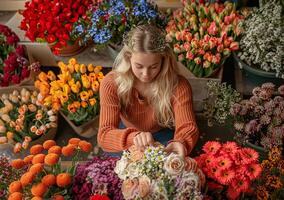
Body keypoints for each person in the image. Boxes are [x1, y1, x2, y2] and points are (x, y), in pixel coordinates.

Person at [97, 24, 199, 158]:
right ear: (128, 58)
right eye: (139, 66)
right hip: (126, 134)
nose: (146, 74)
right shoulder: (111, 83)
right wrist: (134, 138)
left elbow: (187, 126)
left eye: (153, 66)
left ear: (163, 60)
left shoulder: (178, 85)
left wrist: (181, 142)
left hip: (164, 134)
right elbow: (104, 135)